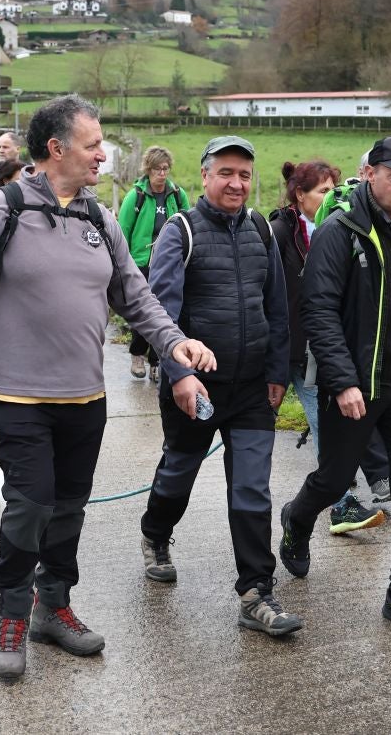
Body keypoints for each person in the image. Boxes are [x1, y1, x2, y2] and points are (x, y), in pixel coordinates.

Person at [0, 94, 215, 682]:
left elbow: (136, 297)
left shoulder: (98, 218)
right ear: (56, 149)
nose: (102, 155)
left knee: (68, 511)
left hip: (85, 399)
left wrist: (175, 347)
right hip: (15, 398)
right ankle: (12, 615)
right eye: (93, 145)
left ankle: (52, 606)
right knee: (28, 507)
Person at [278, 135, 391, 639]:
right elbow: (319, 312)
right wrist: (343, 380)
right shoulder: (341, 230)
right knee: (334, 480)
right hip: (356, 388)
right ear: (369, 174)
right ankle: (297, 517)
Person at [140, 135, 304, 639]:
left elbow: (277, 308)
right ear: (206, 175)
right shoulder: (180, 231)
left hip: (253, 386)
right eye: (226, 173)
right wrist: (181, 376)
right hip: (198, 386)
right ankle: (155, 534)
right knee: (179, 474)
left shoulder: (260, 229)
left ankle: (256, 592)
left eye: (245, 175)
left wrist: (278, 372)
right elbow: (160, 313)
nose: (236, 183)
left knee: (251, 490)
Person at [269, 160, 385, 535]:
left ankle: (341, 503)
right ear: (299, 195)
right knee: (252, 435)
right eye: (322, 190)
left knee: (326, 428)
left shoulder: (339, 230)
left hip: (310, 351)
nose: (331, 196)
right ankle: (252, 505)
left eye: (333, 189)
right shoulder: (278, 233)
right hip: (274, 349)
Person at [117, 146, 190, 383]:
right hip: (140, 263)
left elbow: (188, 225)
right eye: (158, 169)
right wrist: (122, 263)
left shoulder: (177, 195)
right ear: (148, 169)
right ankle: (138, 353)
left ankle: (156, 362)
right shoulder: (135, 196)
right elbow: (123, 230)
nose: (162, 173)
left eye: (166, 168)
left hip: (168, 263)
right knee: (144, 311)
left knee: (166, 312)